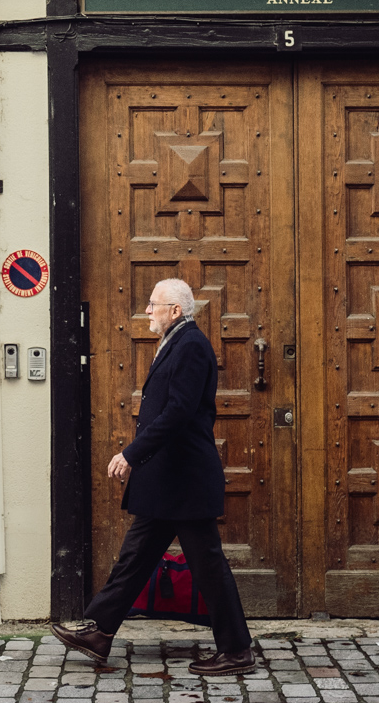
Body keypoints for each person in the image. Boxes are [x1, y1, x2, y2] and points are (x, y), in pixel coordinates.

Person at [51, 277, 256, 676]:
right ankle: (99, 631)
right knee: (134, 560)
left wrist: (131, 453)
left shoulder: (192, 346)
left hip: (185, 481)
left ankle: (236, 650)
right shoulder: (177, 342)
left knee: (208, 566)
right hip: (167, 482)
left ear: (175, 311)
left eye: (152, 304)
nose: (146, 311)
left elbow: (178, 413)